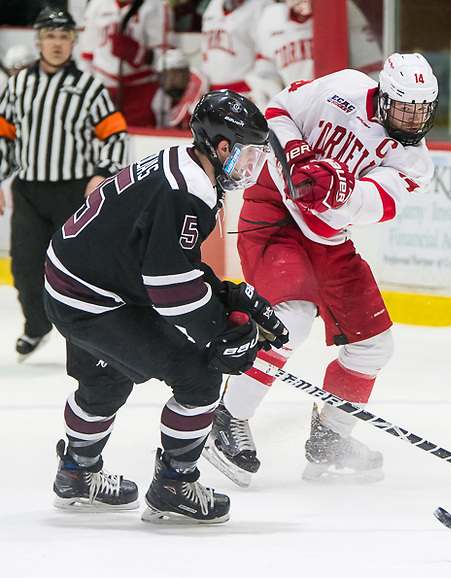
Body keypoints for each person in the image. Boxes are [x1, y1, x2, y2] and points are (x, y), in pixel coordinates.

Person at [45, 89, 289, 524]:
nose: (252, 169)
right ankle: (175, 484)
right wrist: (220, 332)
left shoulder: (184, 166)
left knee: (107, 380)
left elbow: (171, 262)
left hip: (78, 280)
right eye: (248, 155)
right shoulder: (187, 190)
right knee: (198, 378)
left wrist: (229, 297)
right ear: (221, 147)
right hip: (92, 296)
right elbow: (169, 287)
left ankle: (75, 474)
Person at [202, 53, 438, 486]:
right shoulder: (342, 88)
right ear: (383, 96)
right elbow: (277, 110)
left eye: (421, 111)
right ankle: (228, 418)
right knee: (289, 318)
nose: (412, 119)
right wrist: (295, 153)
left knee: (374, 345)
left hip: (329, 237)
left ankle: (331, 436)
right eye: (404, 108)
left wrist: (336, 190)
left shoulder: (415, 161)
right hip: (274, 213)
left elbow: (376, 204)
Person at [0, 8, 128, 361]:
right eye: (50, 36)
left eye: (64, 36)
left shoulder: (88, 86)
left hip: (74, 192)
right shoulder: (18, 85)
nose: (57, 43)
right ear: (38, 41)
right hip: (28, 191)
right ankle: (37, 326)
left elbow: (115, 134)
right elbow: (4, 136)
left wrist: (103, 172)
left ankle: (87, 338)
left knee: (78, 270)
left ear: (73, 42)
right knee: (24, 269)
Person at [250, 0, 383, 103]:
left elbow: (371, 67)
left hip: (340, 106)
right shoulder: (271, 18)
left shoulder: (341, 9)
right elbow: (266, 76)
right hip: (295, 112)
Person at [79, 0, 175, 127]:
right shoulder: (97, 5)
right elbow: (87, 56)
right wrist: (86, 91)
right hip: (103, 90)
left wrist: (143, 55)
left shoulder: (156, 5)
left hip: (141, 92)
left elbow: (169, 58)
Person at [200, 0, 274, 110]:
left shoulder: (264, 5)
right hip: (214, 94)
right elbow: (206, 51)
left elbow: (266, 52)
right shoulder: (213, 5)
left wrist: (260, 86)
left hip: (248, 93)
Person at [151, 48, 209, 129]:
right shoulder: (158, 100)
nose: (168, 81)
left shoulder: (197, 95)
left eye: (173, 74)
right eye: (164, 76)